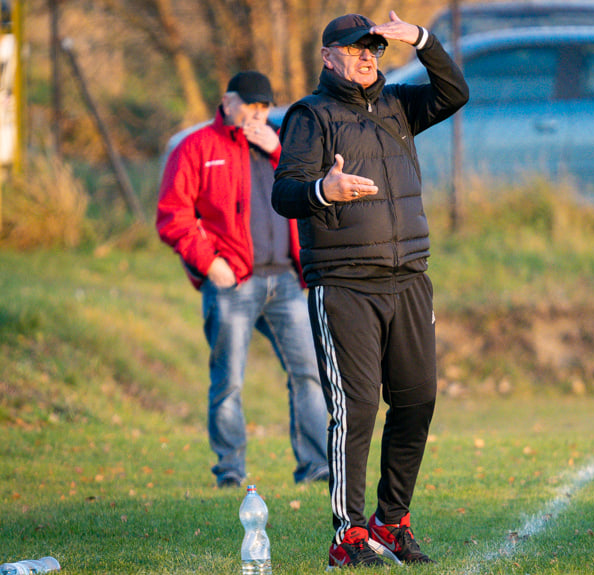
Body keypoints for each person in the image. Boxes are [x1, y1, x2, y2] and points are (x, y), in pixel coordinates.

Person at [271, 11, 469, 568]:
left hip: (408, 278)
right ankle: (348, 535)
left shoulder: (399, 106)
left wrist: (424, 41)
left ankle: (392, 522)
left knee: (417, 400)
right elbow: (284, 194)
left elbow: (455, 92)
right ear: (329, 56)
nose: (366, 58)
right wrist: (324, 188)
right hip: (344, 285)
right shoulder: (311, 115)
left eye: (374, 50)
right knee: (355, 408)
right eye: (355, 49)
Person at [156, 71, 330, 488]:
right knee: (229, 381)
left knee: (308, 373)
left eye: (264, 106)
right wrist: (210, 264)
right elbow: (172, 216)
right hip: (232, 283)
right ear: (227, 101)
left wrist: (279, 151)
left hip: (288, 280)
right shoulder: (197, 146)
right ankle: (230, 473)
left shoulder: (281, 143)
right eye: (249, 105)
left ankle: (316, 466)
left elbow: (320, 189)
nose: (257, 113)